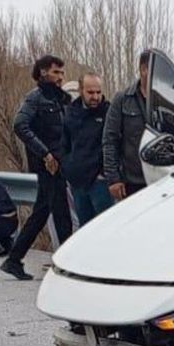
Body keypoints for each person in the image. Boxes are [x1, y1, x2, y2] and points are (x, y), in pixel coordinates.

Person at [0, 55, 72, 281]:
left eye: (62, 73)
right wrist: (45, 154)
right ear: (42, 72)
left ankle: (13, 259)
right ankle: (67, 265)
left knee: (42, 212)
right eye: (56, 72)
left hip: (61, 163)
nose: (60, 77)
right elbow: (20, 125)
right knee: (61, 215)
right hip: (48, 165)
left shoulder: (63, 99)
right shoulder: (35, 98)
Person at [61, 73, 113, 226]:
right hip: (78, 184)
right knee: (85, 230)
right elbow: (64, 145)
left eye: (98, 92)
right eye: (90, 92)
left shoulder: (109, 112)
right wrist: (68, 169)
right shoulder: (71, 113)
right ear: (81, 90)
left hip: (100, 183)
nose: (95, 97)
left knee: (105, 228)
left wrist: (104, 173)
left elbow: (114, 144)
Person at [103, 50, 150, 201]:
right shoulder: (122, 100)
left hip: (161, 181)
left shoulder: (167, 101)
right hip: (132, 182)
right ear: (144, 69)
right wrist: (114, 179)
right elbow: (110, 140)